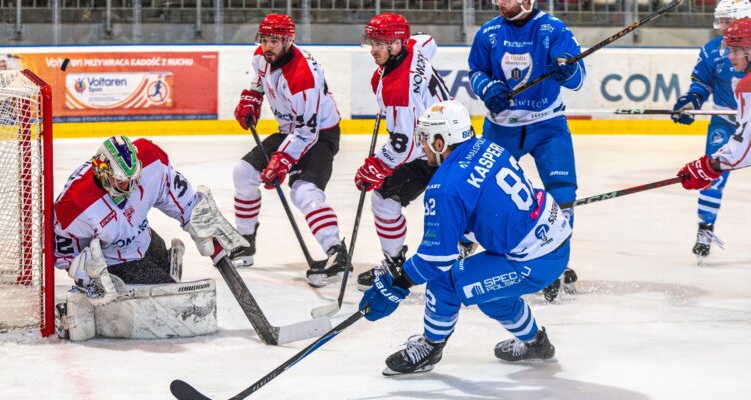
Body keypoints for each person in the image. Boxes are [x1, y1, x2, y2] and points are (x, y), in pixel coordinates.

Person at [358, 100, 571, 375]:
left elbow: (435, 260)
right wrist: (462, 239)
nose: (421, 145)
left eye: (424, 138)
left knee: (445, 281)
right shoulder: (488, 146)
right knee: (492, 295)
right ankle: (536, 343)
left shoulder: (445, 187)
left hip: (533, 260)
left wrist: (394, 284)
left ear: (439, 142)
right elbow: (485, 206)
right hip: (554, 240)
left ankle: (430, 347)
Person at [467, 0, 584, 301]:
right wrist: (487, 89)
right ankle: (464, 247)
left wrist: (565, 70)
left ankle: (557, 260)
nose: (498, 3)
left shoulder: (554, 29)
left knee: (563, 194)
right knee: (478, 190)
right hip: (501, 127)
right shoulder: (488, 32)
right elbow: (476, 70)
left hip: (548, 126)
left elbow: (579, 78)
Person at [231, 14, 348, 287]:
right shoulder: (262, 57)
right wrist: (252, 97)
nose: (267, 46)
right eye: (264, 40)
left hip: (320, 135)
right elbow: (258, 77)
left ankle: (337, 254)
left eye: (274, 41)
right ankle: (245, 242)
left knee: (304, 191)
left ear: (289, 40)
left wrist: (281, 161)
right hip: (290, 131)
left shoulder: (302, 76)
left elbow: (308, 132)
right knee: (243, 172)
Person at [354, 13, 451, 290]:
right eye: (371, 42)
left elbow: (404, 145)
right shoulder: (415, 47)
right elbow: (428, 40)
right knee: (464, 208)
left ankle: (397, 264)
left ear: (397, 45)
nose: (373, 50)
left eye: (379, 43)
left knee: (386, 200)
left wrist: (376, 165)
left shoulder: (399, 89)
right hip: (451, 143)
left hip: (434, 154)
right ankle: (395, 264)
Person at [54, 136, 200, 287]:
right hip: (115, 264)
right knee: (167, 292)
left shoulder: (148, 158)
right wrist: (86, 275)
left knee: (158, 249)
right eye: (121, 181)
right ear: (104, 175)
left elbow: (169, 186)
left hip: (144, 238)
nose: (130, 187)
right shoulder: (75, 205)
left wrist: (193, 215)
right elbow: (64, 254)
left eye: (133, 178)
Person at [671, 0, 751, 265]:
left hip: (745, 120)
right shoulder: (711, 50)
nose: (723, 27)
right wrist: (690, 101)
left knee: (713, 166)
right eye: (721, 21)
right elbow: (700, 84)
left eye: (729, 20)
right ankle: (705, 229)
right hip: (725, 122)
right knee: (713, 175)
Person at [679, 19, 751, 206]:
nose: (730, 57)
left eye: (735, 51)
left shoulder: (748, 86)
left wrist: (709, 167)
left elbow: (744, 149)